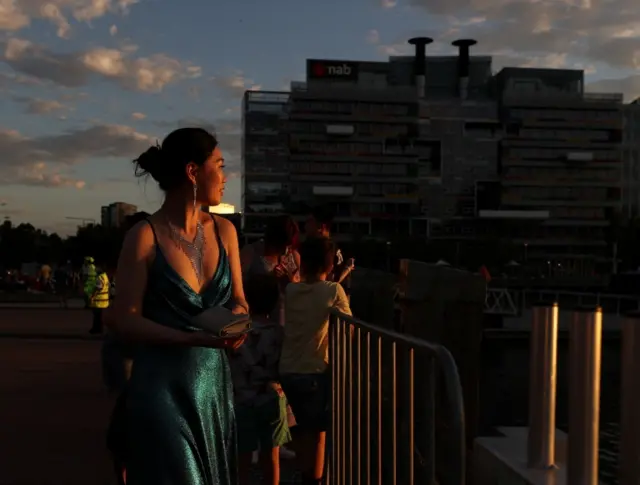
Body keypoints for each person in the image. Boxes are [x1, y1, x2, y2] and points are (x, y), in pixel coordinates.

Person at [106, 127, 249, 485]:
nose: (226, 176)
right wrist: (189, 339)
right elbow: (124, 320)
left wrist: (238, 323)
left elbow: (240, 300)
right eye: (219, 164)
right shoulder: (144, 236)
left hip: (213, 391)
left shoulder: (226, 232)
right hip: (161, 390)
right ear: (193, 171)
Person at [279, 236, 353, 485]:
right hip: (314, 372)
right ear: (330, 265)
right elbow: (349, 328)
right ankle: (314, 480)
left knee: (301, 430)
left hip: (287, 371)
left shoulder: (291, 289)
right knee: (319, 433)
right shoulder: (333, 290)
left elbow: (308, 293)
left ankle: (304, 474)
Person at [229, 275, 292, 485]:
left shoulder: (235, 331)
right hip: (272, 399)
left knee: (243, 458)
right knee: (271, 457)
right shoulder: (279, 332)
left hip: (242, 400)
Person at [241, 215, 300, 324]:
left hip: (287, 320)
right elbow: (238, 285)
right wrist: (265, 281)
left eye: (288, 246)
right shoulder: (251, 252)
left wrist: (289, 280)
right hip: (257, 322)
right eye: (282, 245)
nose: (285, 250)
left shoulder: (293, 256)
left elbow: (302, 289)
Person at [305, 206, 354, 285]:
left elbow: (333, 280)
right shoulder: (331, 246)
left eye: (309, 222)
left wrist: (347, 269)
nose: (305, 226)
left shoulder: (326, 248)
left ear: (321, 227)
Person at [88, 265, 110, 334]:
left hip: (99, 300)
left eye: (97, 268)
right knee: (99, 316)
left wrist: (92, 295)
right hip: (104, 300)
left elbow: (98, 288)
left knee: (97, 316)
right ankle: (99, 329)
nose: (95, 269)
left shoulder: (99, 277)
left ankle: (96, 329)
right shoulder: (105, 276)